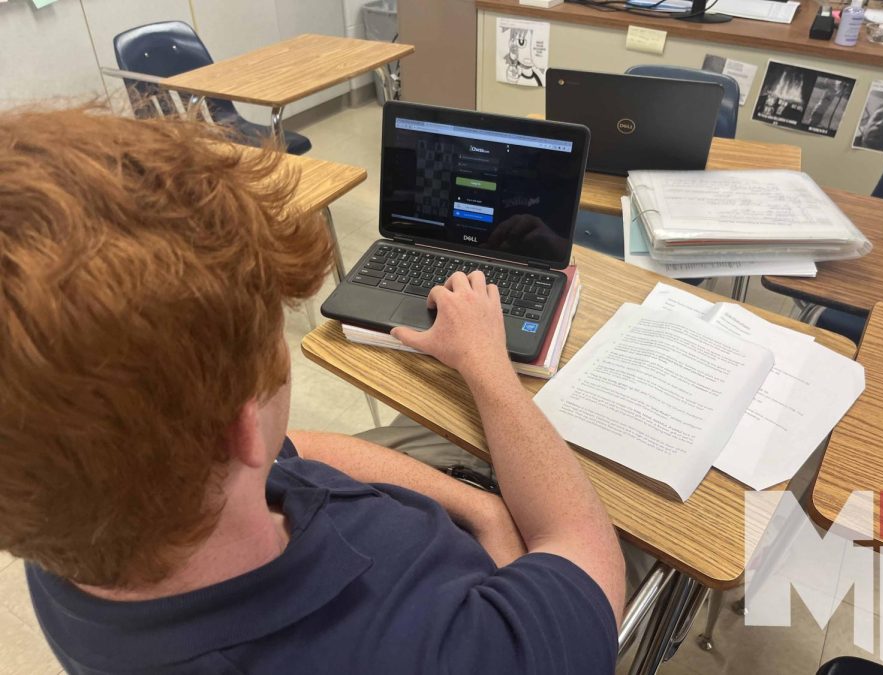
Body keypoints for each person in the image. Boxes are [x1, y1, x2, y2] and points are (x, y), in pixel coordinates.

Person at [0, 106, 624, 674]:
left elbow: (290, 445)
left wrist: (481, 509)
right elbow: (582, 548)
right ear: (239, 428)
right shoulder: (454, 653)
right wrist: (486, 364)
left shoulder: (58, 517)